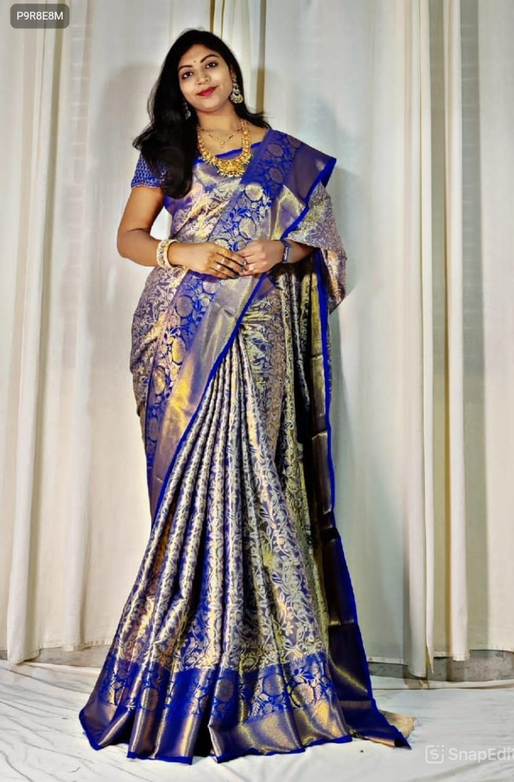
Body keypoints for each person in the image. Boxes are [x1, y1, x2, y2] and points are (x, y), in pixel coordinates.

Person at [78, 27, 416, 764]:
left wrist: (282, 250)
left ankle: (270, 675)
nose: (200, 77)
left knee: (260, 484)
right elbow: (129, 236)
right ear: (177, 88)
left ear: (232, 74)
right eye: (185, 71)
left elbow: (324, 247)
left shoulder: (286, 156)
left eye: (211, 64)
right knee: (189, 497)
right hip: (178, 336)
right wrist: (185, 251)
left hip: (259, 336)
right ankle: (184, 666)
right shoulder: (166, 153)